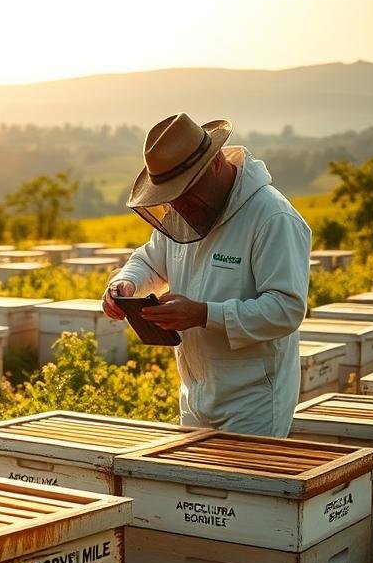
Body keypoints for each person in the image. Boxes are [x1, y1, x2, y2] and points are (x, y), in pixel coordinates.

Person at [101, 113, 311, 437]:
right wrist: (126, 283)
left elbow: (286, 310)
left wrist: (203, 314)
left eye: (184, 191)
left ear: (214, 164)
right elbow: (150, 260)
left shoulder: (272, 217)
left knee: (241, 487)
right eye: (170, 196)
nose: (178, 206)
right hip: (193, 394)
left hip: (253, 403)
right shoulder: (183, 212)